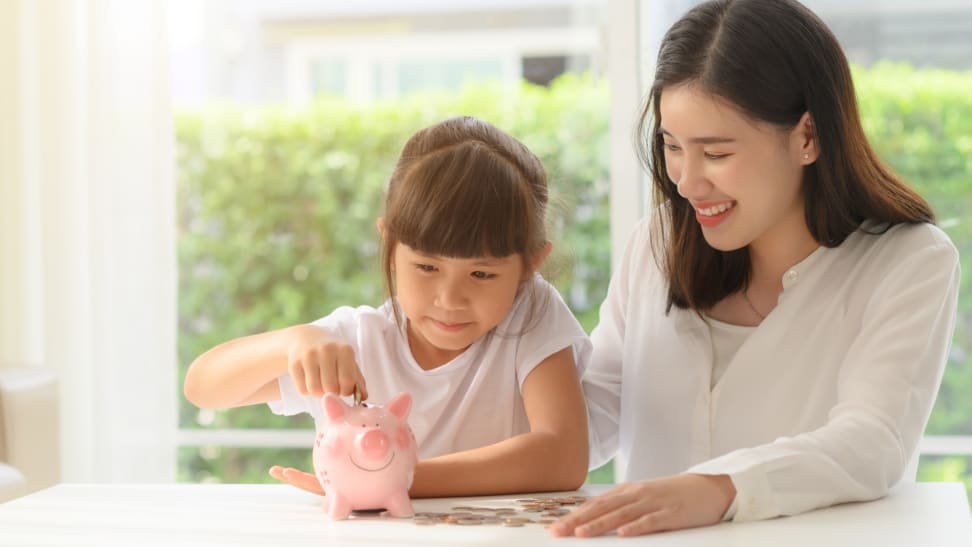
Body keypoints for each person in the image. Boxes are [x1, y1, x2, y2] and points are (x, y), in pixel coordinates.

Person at [548, 0, 960, 538]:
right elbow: (594, 413)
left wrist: (719, 489)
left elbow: (872, 441)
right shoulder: (656, 244)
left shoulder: (908, 262)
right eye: (672, 146)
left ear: (807, 137)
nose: (686, 181)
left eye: (715, 153)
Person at [183, 116, 591, 498]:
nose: (449, 299)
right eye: (427, 266)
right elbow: (203, 387)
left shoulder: (530, 314)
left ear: (530, 265)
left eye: (482, 275)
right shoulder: (357, 341)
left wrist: (392, 479)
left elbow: (563, 457)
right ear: (389, 243)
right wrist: (293, 342)